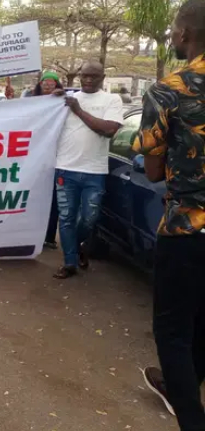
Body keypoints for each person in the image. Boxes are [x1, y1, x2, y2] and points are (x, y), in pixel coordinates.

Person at [133, 0, 205, 431]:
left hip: (188, 226)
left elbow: (154, 169)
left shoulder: (170, 89)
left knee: (173, 329)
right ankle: (182, 381)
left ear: (183, 33)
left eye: (175, 30)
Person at [52, 60, 123, 279]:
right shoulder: (66, 99)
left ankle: (76, 245)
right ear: (80, 76)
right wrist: (49, 98)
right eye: (85, 76)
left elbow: (109, 130)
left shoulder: (111, 99)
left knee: (89, 218)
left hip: (95, 170)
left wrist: (78, 110)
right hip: (65, 169)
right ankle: (70, 262)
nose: (89, 80)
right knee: (66, 217)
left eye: (94, 76)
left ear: (103, 78)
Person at [34, 70, 63, 248]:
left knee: (52, 197)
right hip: (33, 155)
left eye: (52, 82)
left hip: (54, 156)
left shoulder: (61, 101)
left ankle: (49, 236)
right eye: (45, 82)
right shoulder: (30, 99)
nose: (48, 85)